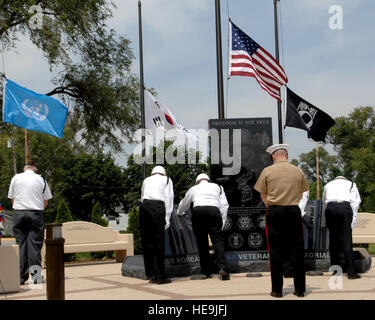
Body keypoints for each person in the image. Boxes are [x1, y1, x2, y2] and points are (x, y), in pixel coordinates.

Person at [254, 144, 309, 298]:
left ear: (274, 156)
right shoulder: (298, 170)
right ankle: (300, 289)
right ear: (286, 155)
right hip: (293, 211)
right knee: (297, 251)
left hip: (275, 212)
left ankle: (277, 290)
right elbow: (301, 194)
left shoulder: (267, 171)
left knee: (275, 251)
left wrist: (272, 206)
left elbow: (262, 195)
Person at [177, 173, 230, 280]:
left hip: (198, 211)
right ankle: (223, 268)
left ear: (198, 181)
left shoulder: (194, 188)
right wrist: (222, 223)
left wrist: (180, 212)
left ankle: (206, 271)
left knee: (202, 242)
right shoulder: (218, 187)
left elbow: (185, 203)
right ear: (208, 180)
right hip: (214, 210)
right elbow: (224, 205)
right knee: (217, 241)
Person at [8, 161, 53, 285]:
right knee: (34, 246)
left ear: (24, 168)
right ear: (35, 169)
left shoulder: (15, 178)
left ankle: (21, 278)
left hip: (19, 213)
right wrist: (37, 210)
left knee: (22, 244)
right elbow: (46, 201)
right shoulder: (41, 180)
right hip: (35, 213)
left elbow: (12, 199)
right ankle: (36, 278)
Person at [140, 165, 174, 284]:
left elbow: (142, 195)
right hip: (157, 207)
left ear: (153, 173)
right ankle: (160, 276)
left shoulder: (146, 180)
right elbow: (169, 200)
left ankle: (151, 274)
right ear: (163, 173)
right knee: (159, 242)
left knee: (147, 241)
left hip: (144, 207)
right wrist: (167, 218)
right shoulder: (167, 180)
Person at [322, 176, 361, 279]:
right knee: (347, 239)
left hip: (330, 208)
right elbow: (355, 203)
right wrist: (353, 221)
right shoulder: (351, 184)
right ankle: (351, 272)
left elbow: (324, 202)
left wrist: (324, 219)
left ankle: (336, 270)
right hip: (344, 207)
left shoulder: (328, 185)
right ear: (344, 179)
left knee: (333, 240)